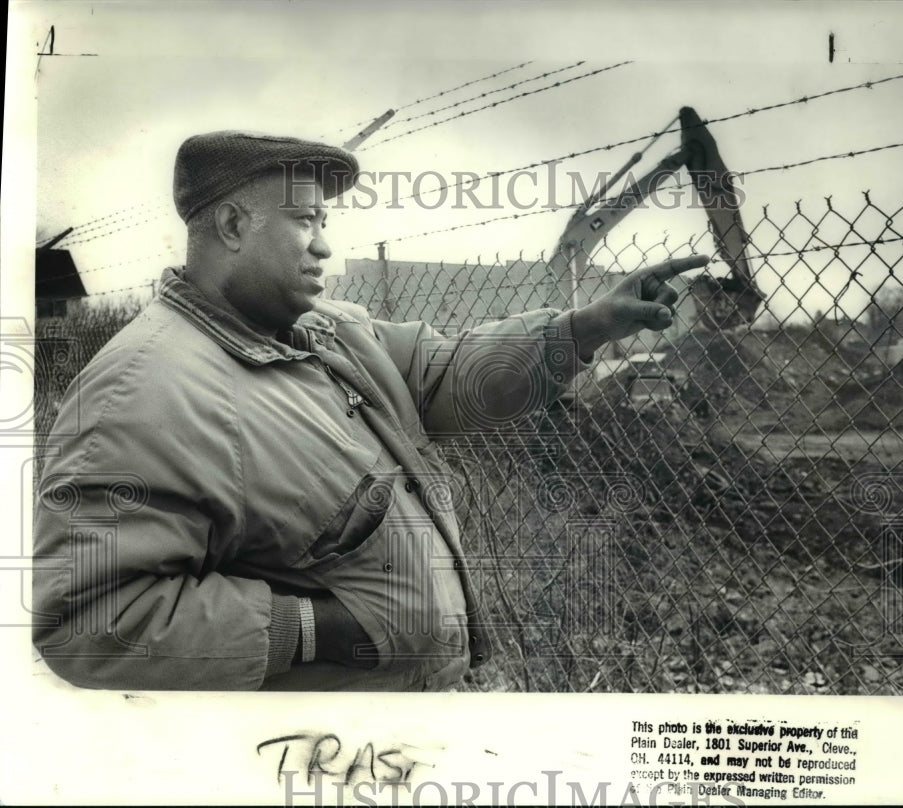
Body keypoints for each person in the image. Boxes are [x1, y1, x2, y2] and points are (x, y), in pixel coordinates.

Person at [33, 130, 708, 691]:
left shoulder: (330, 330)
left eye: (325, 223)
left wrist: (585, 328)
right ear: (233, 224)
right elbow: (88, 622)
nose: (326, 245)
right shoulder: (143, 388)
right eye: (304, 221)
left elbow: (447, 374)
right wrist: (315, 628)